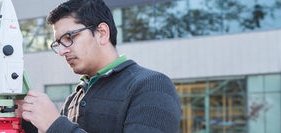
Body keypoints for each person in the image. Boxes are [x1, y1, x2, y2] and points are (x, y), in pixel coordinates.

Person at [21, 0, 182, 132]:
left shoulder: (152, 85)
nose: (62, 51)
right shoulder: (73, 99)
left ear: (102, 33)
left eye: (69, 37)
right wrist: (26, 118)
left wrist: (55, 125)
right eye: (58, 43)